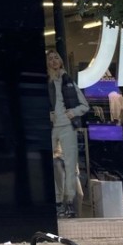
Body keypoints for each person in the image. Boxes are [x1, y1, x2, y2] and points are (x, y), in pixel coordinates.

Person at [46, 50, 89, 218]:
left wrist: (73, 112)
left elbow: (84, 105)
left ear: (61, 61)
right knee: (52, 166)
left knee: (70, 165)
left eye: (56, 58)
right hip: (52, 127)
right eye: (50, 59)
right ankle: (57, 202)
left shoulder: (68, 81)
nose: (54, 61)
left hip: (67, 126)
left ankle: (69, 202)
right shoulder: (47, 82)